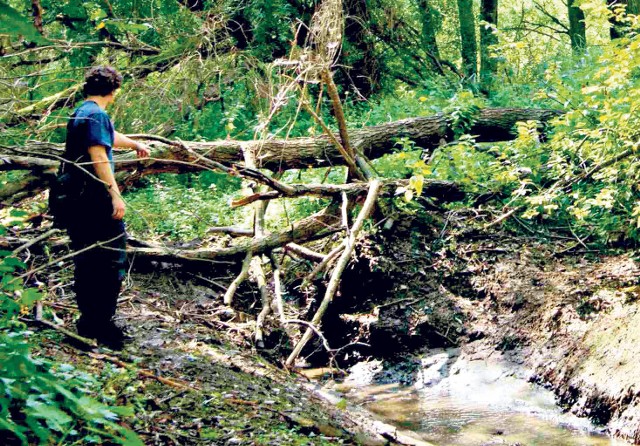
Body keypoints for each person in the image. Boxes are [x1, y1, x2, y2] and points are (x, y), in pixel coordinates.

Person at [60, 66, 150, 349]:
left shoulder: (82, 112)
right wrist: (115, 194)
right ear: (113, 91)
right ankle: (102, 326)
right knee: (110, 261)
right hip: (94, 200)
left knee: (86, 258)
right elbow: (99, 154)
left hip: (74, 199)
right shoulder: (96, 115)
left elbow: (108, 137)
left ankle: (88, 324)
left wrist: (134, 143)